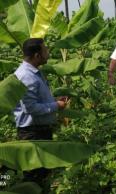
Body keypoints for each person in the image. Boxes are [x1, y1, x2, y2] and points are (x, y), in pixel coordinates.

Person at [13, 38, 68, 190]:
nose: (48, 53)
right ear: (37, 55)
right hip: (32, 132)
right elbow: (30, 108)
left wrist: (54, 101)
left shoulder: (34, 73)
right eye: (45, 50)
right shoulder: (26, 76)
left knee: (43, 172)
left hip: (40, 130)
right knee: (33, 175)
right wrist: (56, 105)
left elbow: (37, 100)